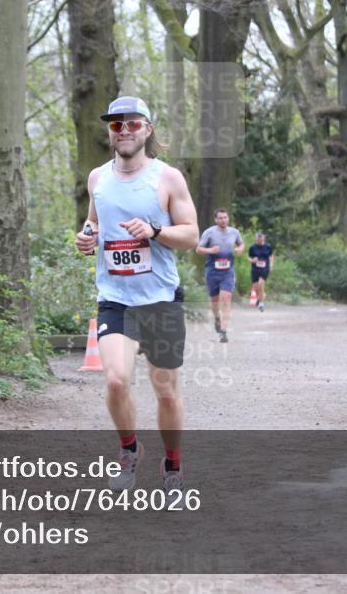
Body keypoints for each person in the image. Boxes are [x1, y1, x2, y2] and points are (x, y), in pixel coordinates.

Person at [74, 96, 199, 498]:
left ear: (147, 129)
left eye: (132, 124)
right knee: (114, 380)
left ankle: (173, 466)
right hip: (116, 297)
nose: (123, 131)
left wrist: (155, 231)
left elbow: (192, 235)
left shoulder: (168, 178)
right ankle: (129, 450)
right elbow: (94, 222)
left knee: (165, 390)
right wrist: (86, 237)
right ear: (109, 133)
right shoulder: (98, 178)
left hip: (160, 298)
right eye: (116, 125)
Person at [195, 209, 244, 343]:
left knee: (226, 298)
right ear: (216, 220)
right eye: (220, 218)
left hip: (228, 271)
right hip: (212, 270)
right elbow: (198, 249)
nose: (223, 220)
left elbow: (241, 243)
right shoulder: (209, 233)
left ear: (228, 218)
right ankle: (217, 317)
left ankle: (223, 331)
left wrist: (240, 249)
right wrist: (210, 250)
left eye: (225, 217)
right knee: (214, 300)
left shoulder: (234, 232)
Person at [248, 232, 274, 312]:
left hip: (264, 268)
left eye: (261, 238)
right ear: (256, 239)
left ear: (264, 238)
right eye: (258, 238)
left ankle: (261, 304)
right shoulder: (252, 247)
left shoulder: (268, 246)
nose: (259, 240)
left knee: (261, 284)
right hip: (255, 269)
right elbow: (248, 258)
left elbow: (271, 256)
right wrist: (252, 260)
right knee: (255, 287)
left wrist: (271, 265)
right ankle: (261, 296)